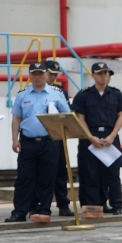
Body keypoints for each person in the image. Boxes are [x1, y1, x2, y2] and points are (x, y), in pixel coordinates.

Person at [8, 62, 71, 222]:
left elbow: (67, 116)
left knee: (47, 178)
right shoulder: (22, 95)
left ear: (46, 75)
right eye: (34, 74)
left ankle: (44, 210)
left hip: (49, 142)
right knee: (24, 178)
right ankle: (20, 211)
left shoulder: (56, 94)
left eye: (40, 74)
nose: (37, 77)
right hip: (27, 142)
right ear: (29, 75)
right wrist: (15, 139)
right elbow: (16, 118)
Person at [71, 61, 122, 216]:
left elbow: (121, 114)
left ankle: (116, 205)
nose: (104, 77)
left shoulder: (116, 94)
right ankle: (94, 206)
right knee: (91, 174)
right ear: (93, 75)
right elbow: (79, 116)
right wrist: (90, 137)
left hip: (110, 136)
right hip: (90, 137)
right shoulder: (84, 95)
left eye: (106, 73)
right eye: (100, 73)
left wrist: (112, 135)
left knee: (112, 173)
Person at [45, 60, 75, 217]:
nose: (53, 78)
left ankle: (63, 204)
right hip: (41, 136)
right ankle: (42, 205)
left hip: (57, 135)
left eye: (55, 75)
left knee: (60, 172)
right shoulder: (33, 90)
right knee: (43, 173)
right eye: (50, 74)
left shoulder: (60, 91)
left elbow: (67, 111)